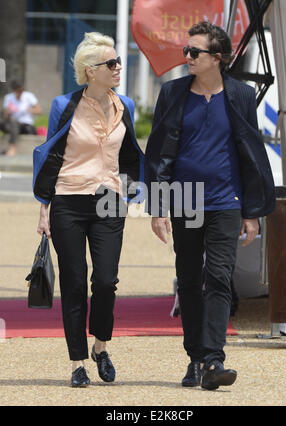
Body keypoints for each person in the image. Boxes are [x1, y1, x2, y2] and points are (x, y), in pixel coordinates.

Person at [145, 22, 275, 390]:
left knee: (219, 277)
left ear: (216, 58)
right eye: (186, 51)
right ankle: (195, 357)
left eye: (194, 52)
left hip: (225, 202)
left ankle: (214, 358)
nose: (186, 57)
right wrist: (158, 206)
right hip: (185, 202)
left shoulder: (241, 96)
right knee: (188, 279)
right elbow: (157, 155)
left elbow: (251, 155)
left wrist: (251, 212)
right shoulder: (172, 94)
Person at [33, 32, 144, 387]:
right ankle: (78, 362)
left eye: (118, 62)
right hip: (67, 199)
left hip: (109, 201)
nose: (118, 68)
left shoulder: (124, 103)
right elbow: (50, 155)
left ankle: (100, 346)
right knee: (75, 282)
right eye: (111, 63)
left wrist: (130, 191)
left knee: (106, 281)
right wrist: (43, 206)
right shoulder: (63, 105)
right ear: (89, 70)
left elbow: (130, 154)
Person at [0, 80, 42, 156]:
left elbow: (39, 110)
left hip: (26, 125)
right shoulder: (8, 98)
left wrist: (30, 109)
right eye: (18, 91)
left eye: (21, 90)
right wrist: (8, 112)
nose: (20, 93)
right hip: (13, 125)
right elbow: (5, 117)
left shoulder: (29, 96)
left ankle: (12, 148)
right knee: (12, 122)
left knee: (14, 122)